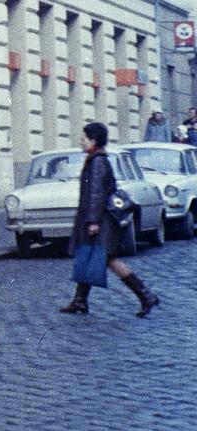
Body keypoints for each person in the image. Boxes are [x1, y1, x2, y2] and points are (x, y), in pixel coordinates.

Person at [59, 121, 159, 318]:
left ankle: (146, 296)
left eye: (84, 138)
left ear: (94, 140)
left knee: (108, 259)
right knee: (90, 257)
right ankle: (80, 301)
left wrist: (93, 221)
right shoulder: (96, 159)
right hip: (99, 219)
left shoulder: (97, 162)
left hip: (100, 221)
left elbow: (96, 193)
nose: (81, 141)